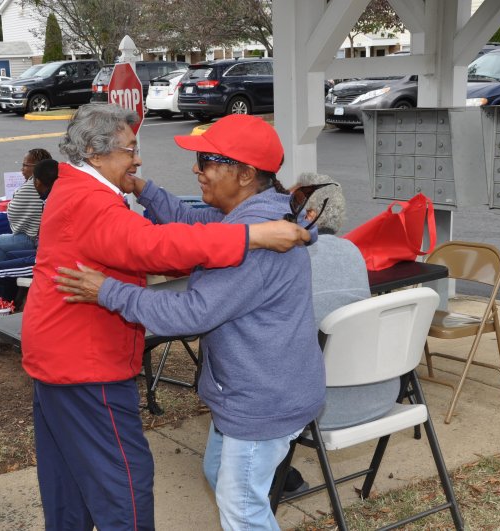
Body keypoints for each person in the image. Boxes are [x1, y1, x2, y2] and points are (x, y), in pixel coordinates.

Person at [21, 104, 313, 531]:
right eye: (130, 149)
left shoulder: (79, 191)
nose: (138, 159)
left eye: (205, 161)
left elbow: (186, 284)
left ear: (246, 175)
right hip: (84, 364)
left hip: (71, 361)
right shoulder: (90, 200)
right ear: (94, 152)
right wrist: (252, 235)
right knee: (121, 483)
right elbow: (156, 245)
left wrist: (110, 286)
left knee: (74, 482)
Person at [299, 172, 400, 429]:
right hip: (379, 397)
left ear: (309, 214)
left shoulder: (295, 257)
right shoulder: (352, 252)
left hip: (314, 408)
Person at [0, 159, 59, 301]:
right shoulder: (55, 196)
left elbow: (14, 211)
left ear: (38, 182)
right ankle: (10, 303)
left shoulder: (52, 201)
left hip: (49, 259)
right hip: (47, 251)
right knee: (10, 256)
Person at [0, 148, 52, 262]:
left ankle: (8, 275)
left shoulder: (34, 185)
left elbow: (13, 211)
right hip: (43, 238)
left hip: (33, 238)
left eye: (25, 165)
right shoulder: (49, 181)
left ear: (37, 167)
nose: (22, 169)